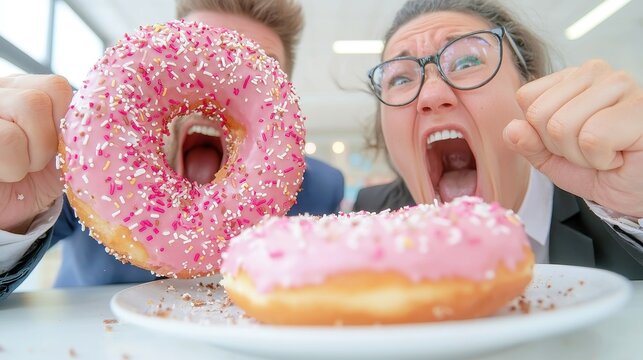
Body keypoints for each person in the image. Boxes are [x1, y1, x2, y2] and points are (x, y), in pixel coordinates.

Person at [0, 0, 344, 299]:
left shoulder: (322, 189)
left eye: (257, 66)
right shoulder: (93, 172)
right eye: (202, 55)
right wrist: (7, 214)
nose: (222, 76)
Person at [354, 0, 643, 279]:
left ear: (531, 85)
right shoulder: (372, 218)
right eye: (401, 80)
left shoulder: (611, 203)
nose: (431, 96)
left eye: (467, 62)